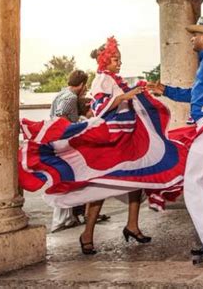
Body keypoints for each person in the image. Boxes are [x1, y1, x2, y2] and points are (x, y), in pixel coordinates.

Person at [19, 37, 187, 255]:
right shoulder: (101, 80)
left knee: (137, 177)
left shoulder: (114, 79)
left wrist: (137, 94)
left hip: (127, 138)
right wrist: (124, 96)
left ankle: (132, 225)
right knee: (101, 183)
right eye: (115, 59)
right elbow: (99, 106)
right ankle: (87, 233)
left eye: (120, 59)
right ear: (104, 61)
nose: (119, 63)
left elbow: (127, 103)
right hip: (111, 139)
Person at [149, 17, 203, 265]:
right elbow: (195, 93)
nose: (191, 38)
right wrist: (165, 90)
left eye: (195, 35)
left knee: (195, 182)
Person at [49, 70, 88, 233]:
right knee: (69, 178)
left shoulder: (62, 93)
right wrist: (75, 128)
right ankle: (63, 219)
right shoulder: (70, 97)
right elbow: (61, 115)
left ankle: (68, 217)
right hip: (64, 141)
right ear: (82, 85)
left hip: (55, 140)